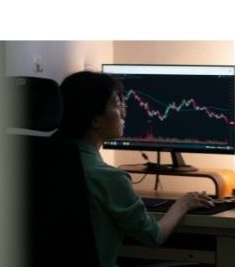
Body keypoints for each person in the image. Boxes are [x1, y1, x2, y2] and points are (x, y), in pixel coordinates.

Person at [55, 71, 214, 267]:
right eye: (117, 103)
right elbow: (153, 236)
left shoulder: (35, 164)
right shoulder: (110, 179)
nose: (124, 110)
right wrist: (183, 204)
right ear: (95, 120)